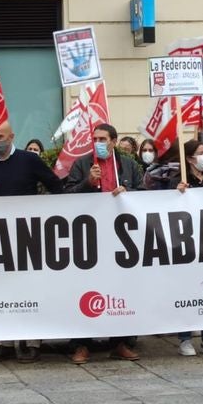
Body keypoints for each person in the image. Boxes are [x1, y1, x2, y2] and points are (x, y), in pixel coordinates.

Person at [0, 122, 64, 363]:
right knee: (1, 289)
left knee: (31, 288)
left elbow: (56, 186)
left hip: (28, 234)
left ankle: (34, 341)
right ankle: (6, 342)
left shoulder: (29, 160)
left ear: (11, 137)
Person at [66, 124, 145, 363]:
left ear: (113, 141)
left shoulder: (128, 165)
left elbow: (144, 192)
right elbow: (67, 194)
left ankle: (120, 342)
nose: (98, 142)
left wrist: (128, 190)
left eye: (102, 138)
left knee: (121, 288)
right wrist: (88, 182)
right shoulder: (82, 164)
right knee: (86, 287)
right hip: (89, 236)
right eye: (95, 138)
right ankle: (81, 344)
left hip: (121, 237)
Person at [153, 139, 203, 357]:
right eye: (200, 153)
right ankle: (185, 338)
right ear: (189, 158)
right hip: (185, 244)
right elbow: (164, 207)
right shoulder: (178, 181)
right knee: (186, 290)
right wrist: (176, 193)